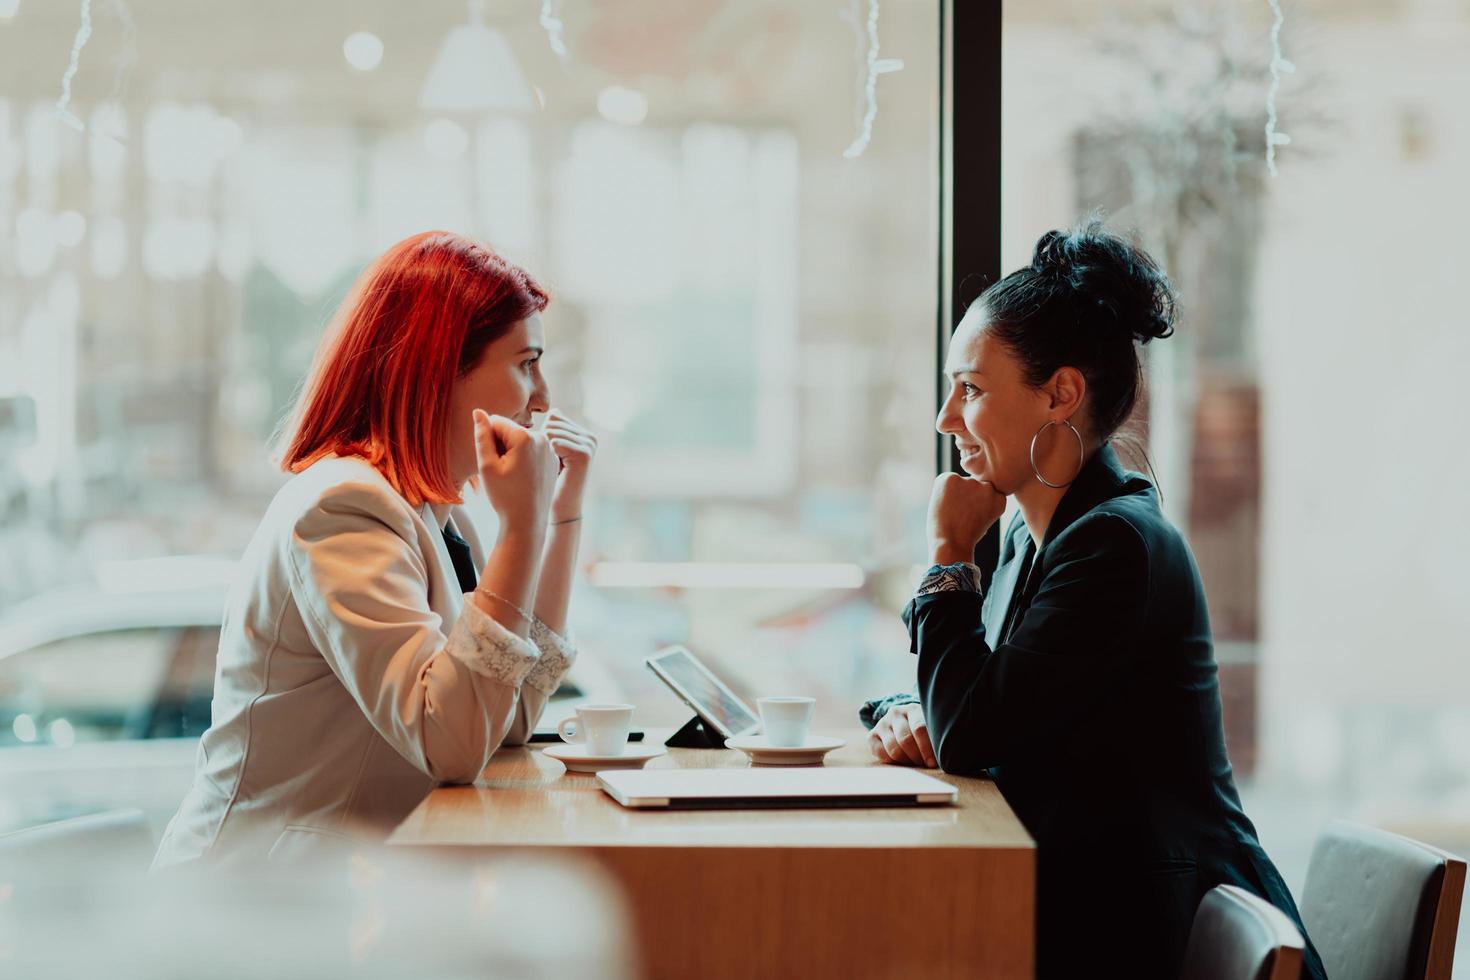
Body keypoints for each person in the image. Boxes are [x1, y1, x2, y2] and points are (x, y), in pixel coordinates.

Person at [859, 220, 1325, 980]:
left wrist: (947, 553)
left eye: (970, 389)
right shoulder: (1031, 538)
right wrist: (904, 711)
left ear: (1061, 394)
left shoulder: (1114, 547)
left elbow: (974, 730)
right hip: (1100, 913)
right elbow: (987, 707)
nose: (947, 419)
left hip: (1162, 937)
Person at [153, 231, 597, 869]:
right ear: (441, 368)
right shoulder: (343, 508)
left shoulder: (436, 512)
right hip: (251, 908)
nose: (543, 398)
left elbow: (506, 718)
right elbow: (450, 740)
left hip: (335, 897)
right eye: (526, 363)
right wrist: (523, 530)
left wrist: (560, 520)